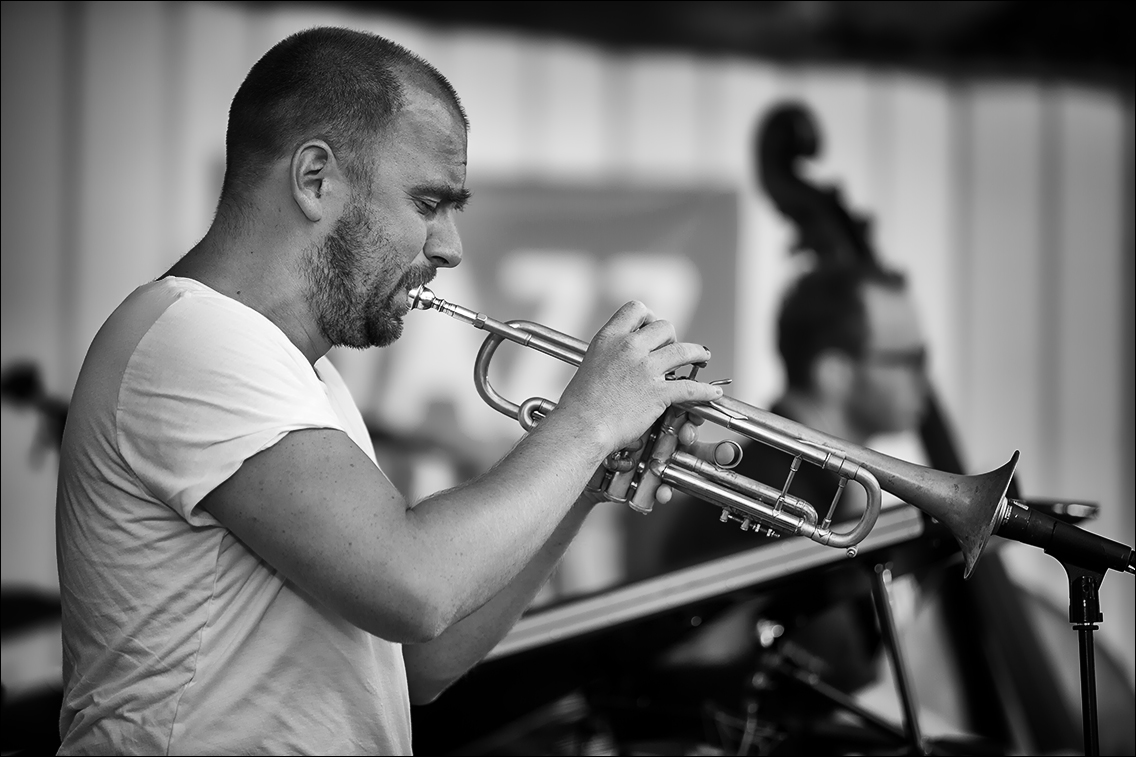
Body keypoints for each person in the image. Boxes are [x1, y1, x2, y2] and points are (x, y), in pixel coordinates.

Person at [53, 27, 723, 755]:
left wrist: (587, 475)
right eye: (429, 201)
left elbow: (420, 661)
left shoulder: (303, 375)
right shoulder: (194, 337)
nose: (450, 247)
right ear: (315, 178)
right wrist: (587, 420)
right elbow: (417, 585)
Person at [660, 263, 928, 694]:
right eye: (909, 360)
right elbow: (840, 685)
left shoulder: (829, 491)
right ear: (834, 372)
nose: (925, 381)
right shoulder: (769, 490)